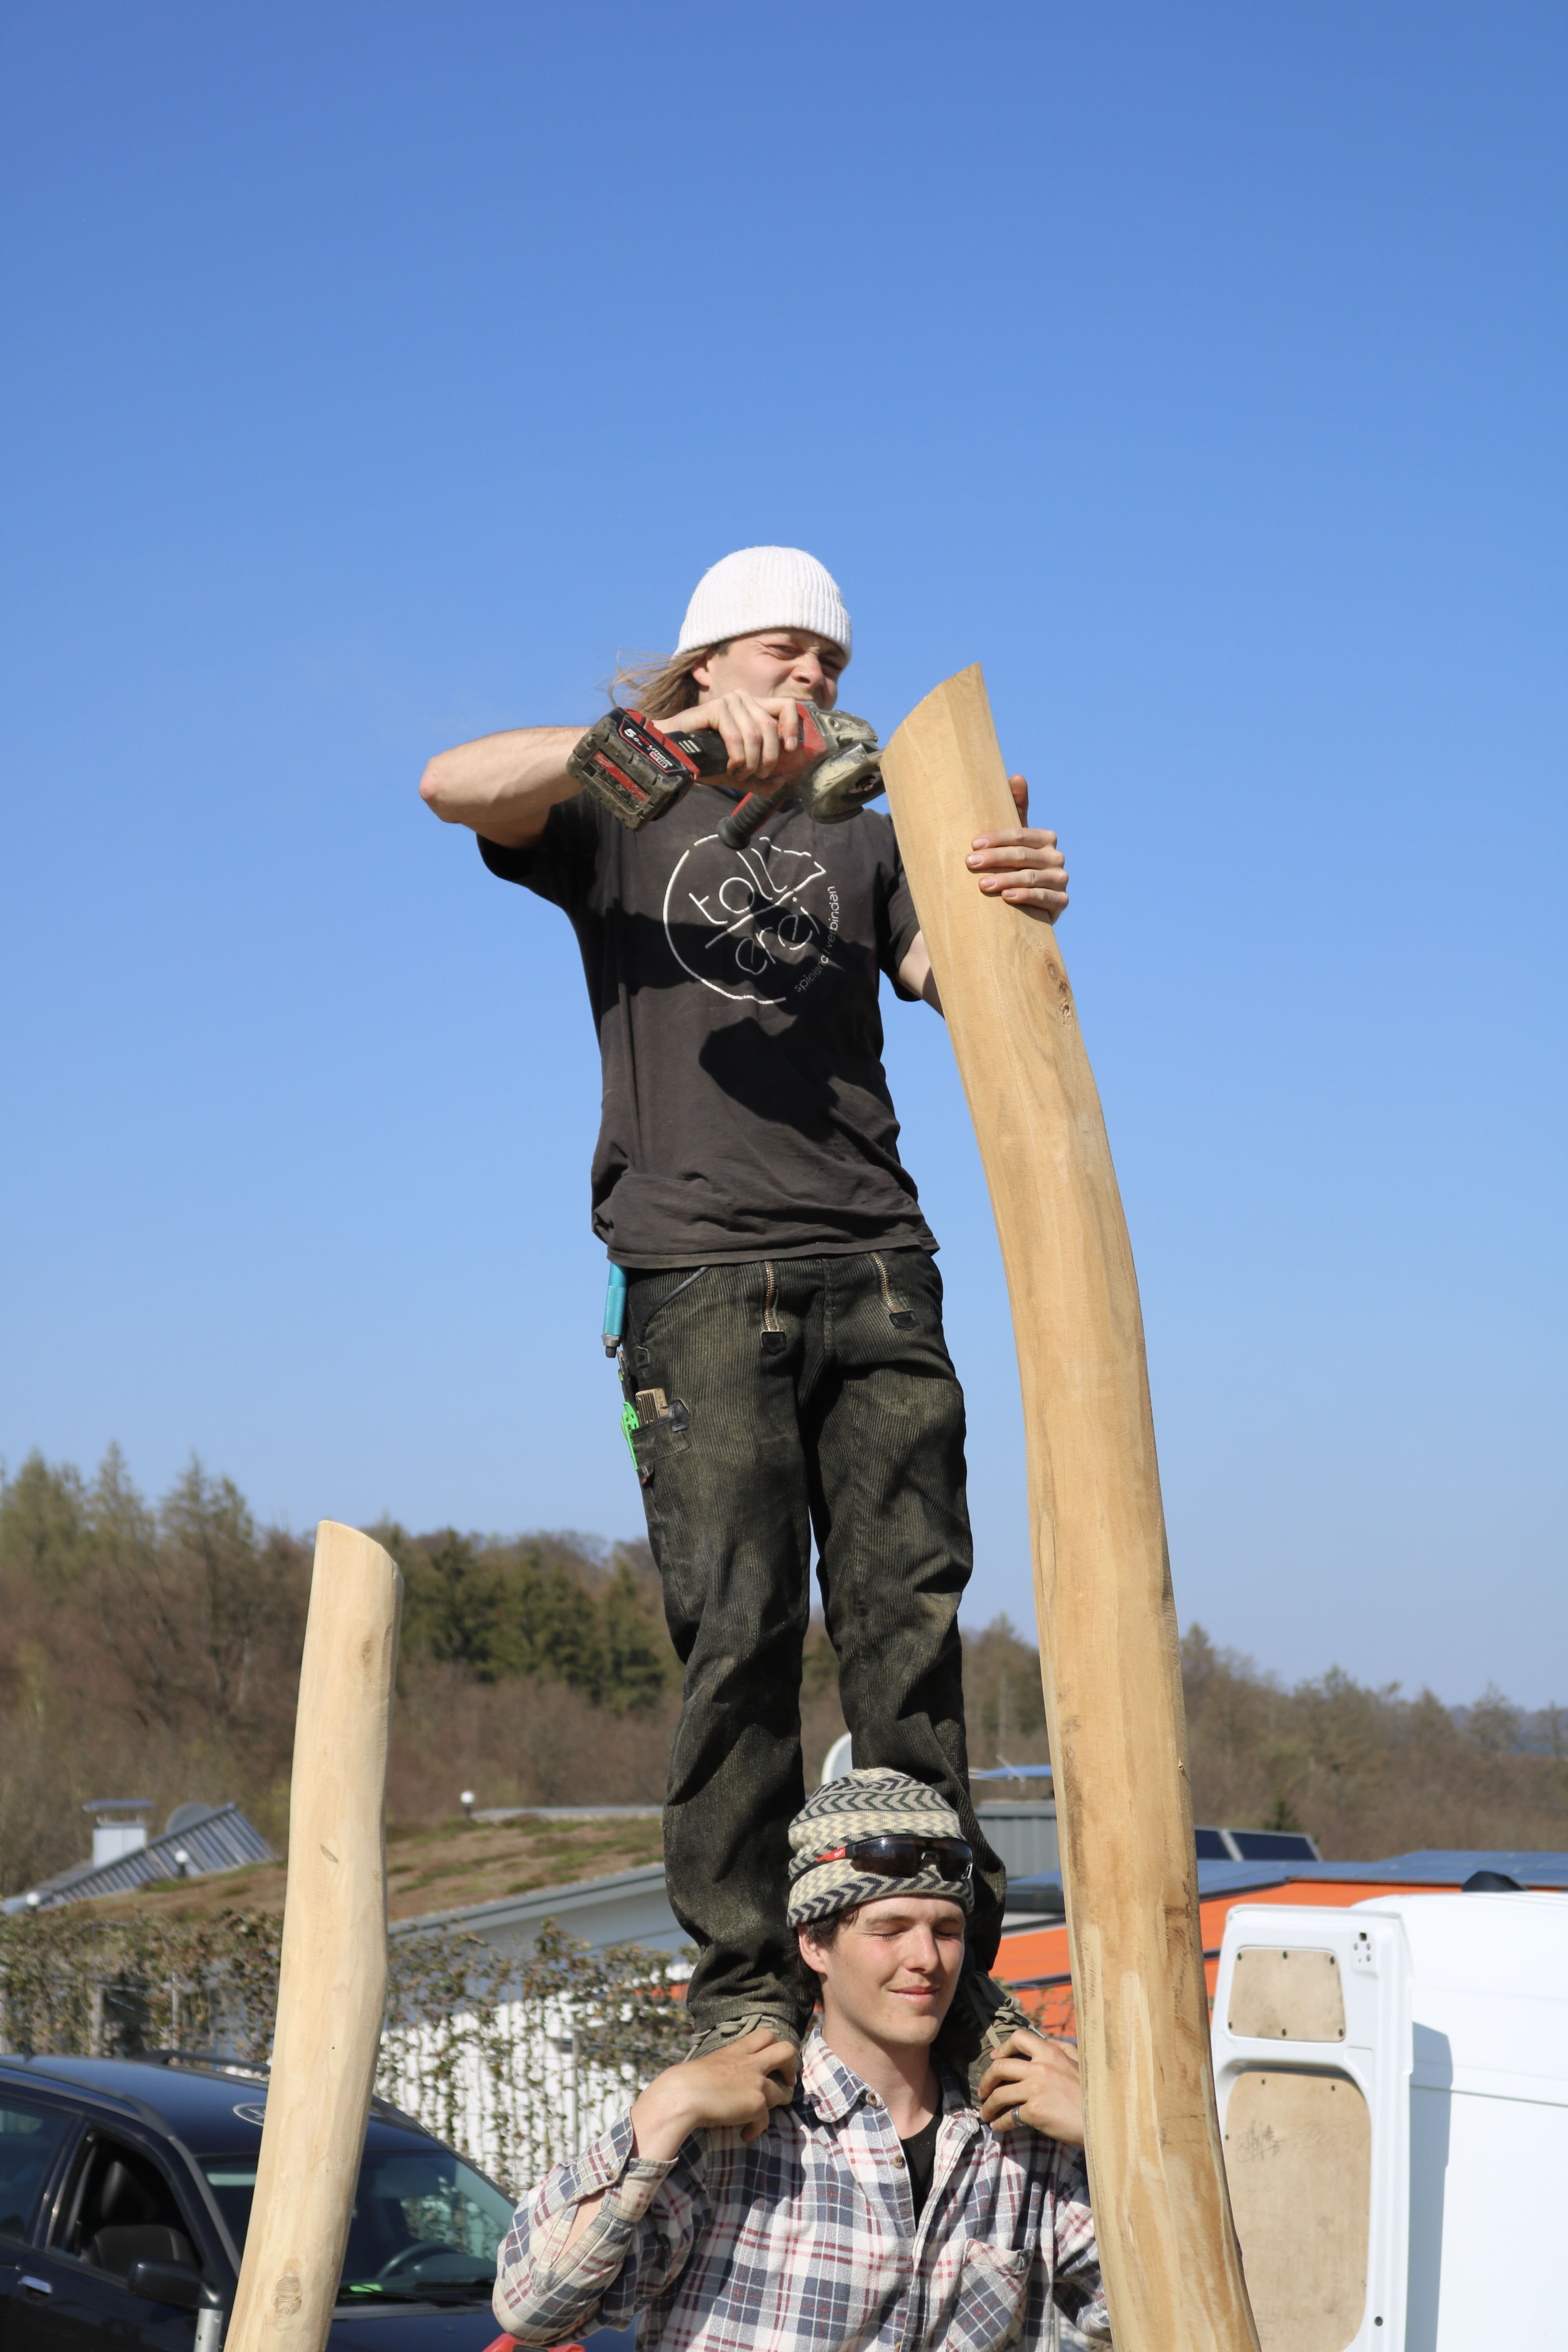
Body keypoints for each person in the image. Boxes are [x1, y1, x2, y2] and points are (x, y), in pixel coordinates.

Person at [419, 548, 1070, 2087]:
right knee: (740, 1632)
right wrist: (683, 752)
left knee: (906, 1625)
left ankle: (940, 1966)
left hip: (875, 1260)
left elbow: (946, 978)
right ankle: (738, 1987)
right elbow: (455, 784)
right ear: (709, 663)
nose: (817, 685)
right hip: (697, 1274)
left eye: (833, 666)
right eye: (788, 654)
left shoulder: (871, 837)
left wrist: (1011, 908)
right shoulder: (623, 806)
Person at [491, 1771, 1108, 2351]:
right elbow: (533, 2309)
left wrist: (1114, 2140)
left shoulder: (1023, 2142)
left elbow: (1175, 2314)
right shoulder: (731, 2138)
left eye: (946, 1930)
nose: (927, 1958)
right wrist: (666, 2106)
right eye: (890, 1929)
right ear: (814, 1943)